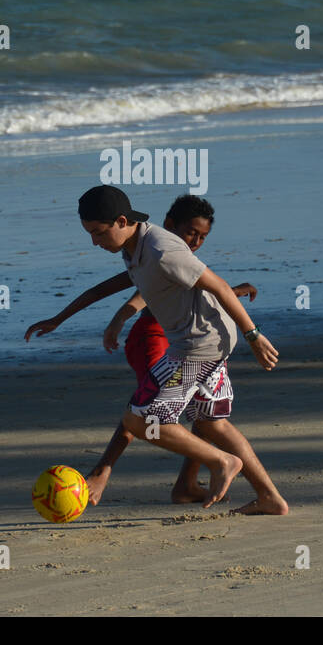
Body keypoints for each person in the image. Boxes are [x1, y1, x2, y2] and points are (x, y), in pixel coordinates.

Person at [24, 186, 288, 514]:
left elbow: (218, 286)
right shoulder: (134, 245)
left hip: (197, 346)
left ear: (121, 221)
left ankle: (222, 462)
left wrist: (255, 335)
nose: (94, 241)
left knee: (141, 419)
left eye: (98, 232)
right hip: (206, 342)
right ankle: (269, 497)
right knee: (211, 425)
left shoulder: (162, 248)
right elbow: (106, 287)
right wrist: (59, 319)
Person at [90, 195, 258, 506]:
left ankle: (190, 484)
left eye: (203, 237)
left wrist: (231, 293)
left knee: (203, 416)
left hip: (191, 342)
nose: (195, 242)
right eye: (191, 232)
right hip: (155, 339)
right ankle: (103, 470)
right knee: (144, 410)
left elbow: (198, 292)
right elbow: (131, 294)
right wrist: (116, 320)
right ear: (170, 227)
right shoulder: (159, 251)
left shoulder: (165, 252)